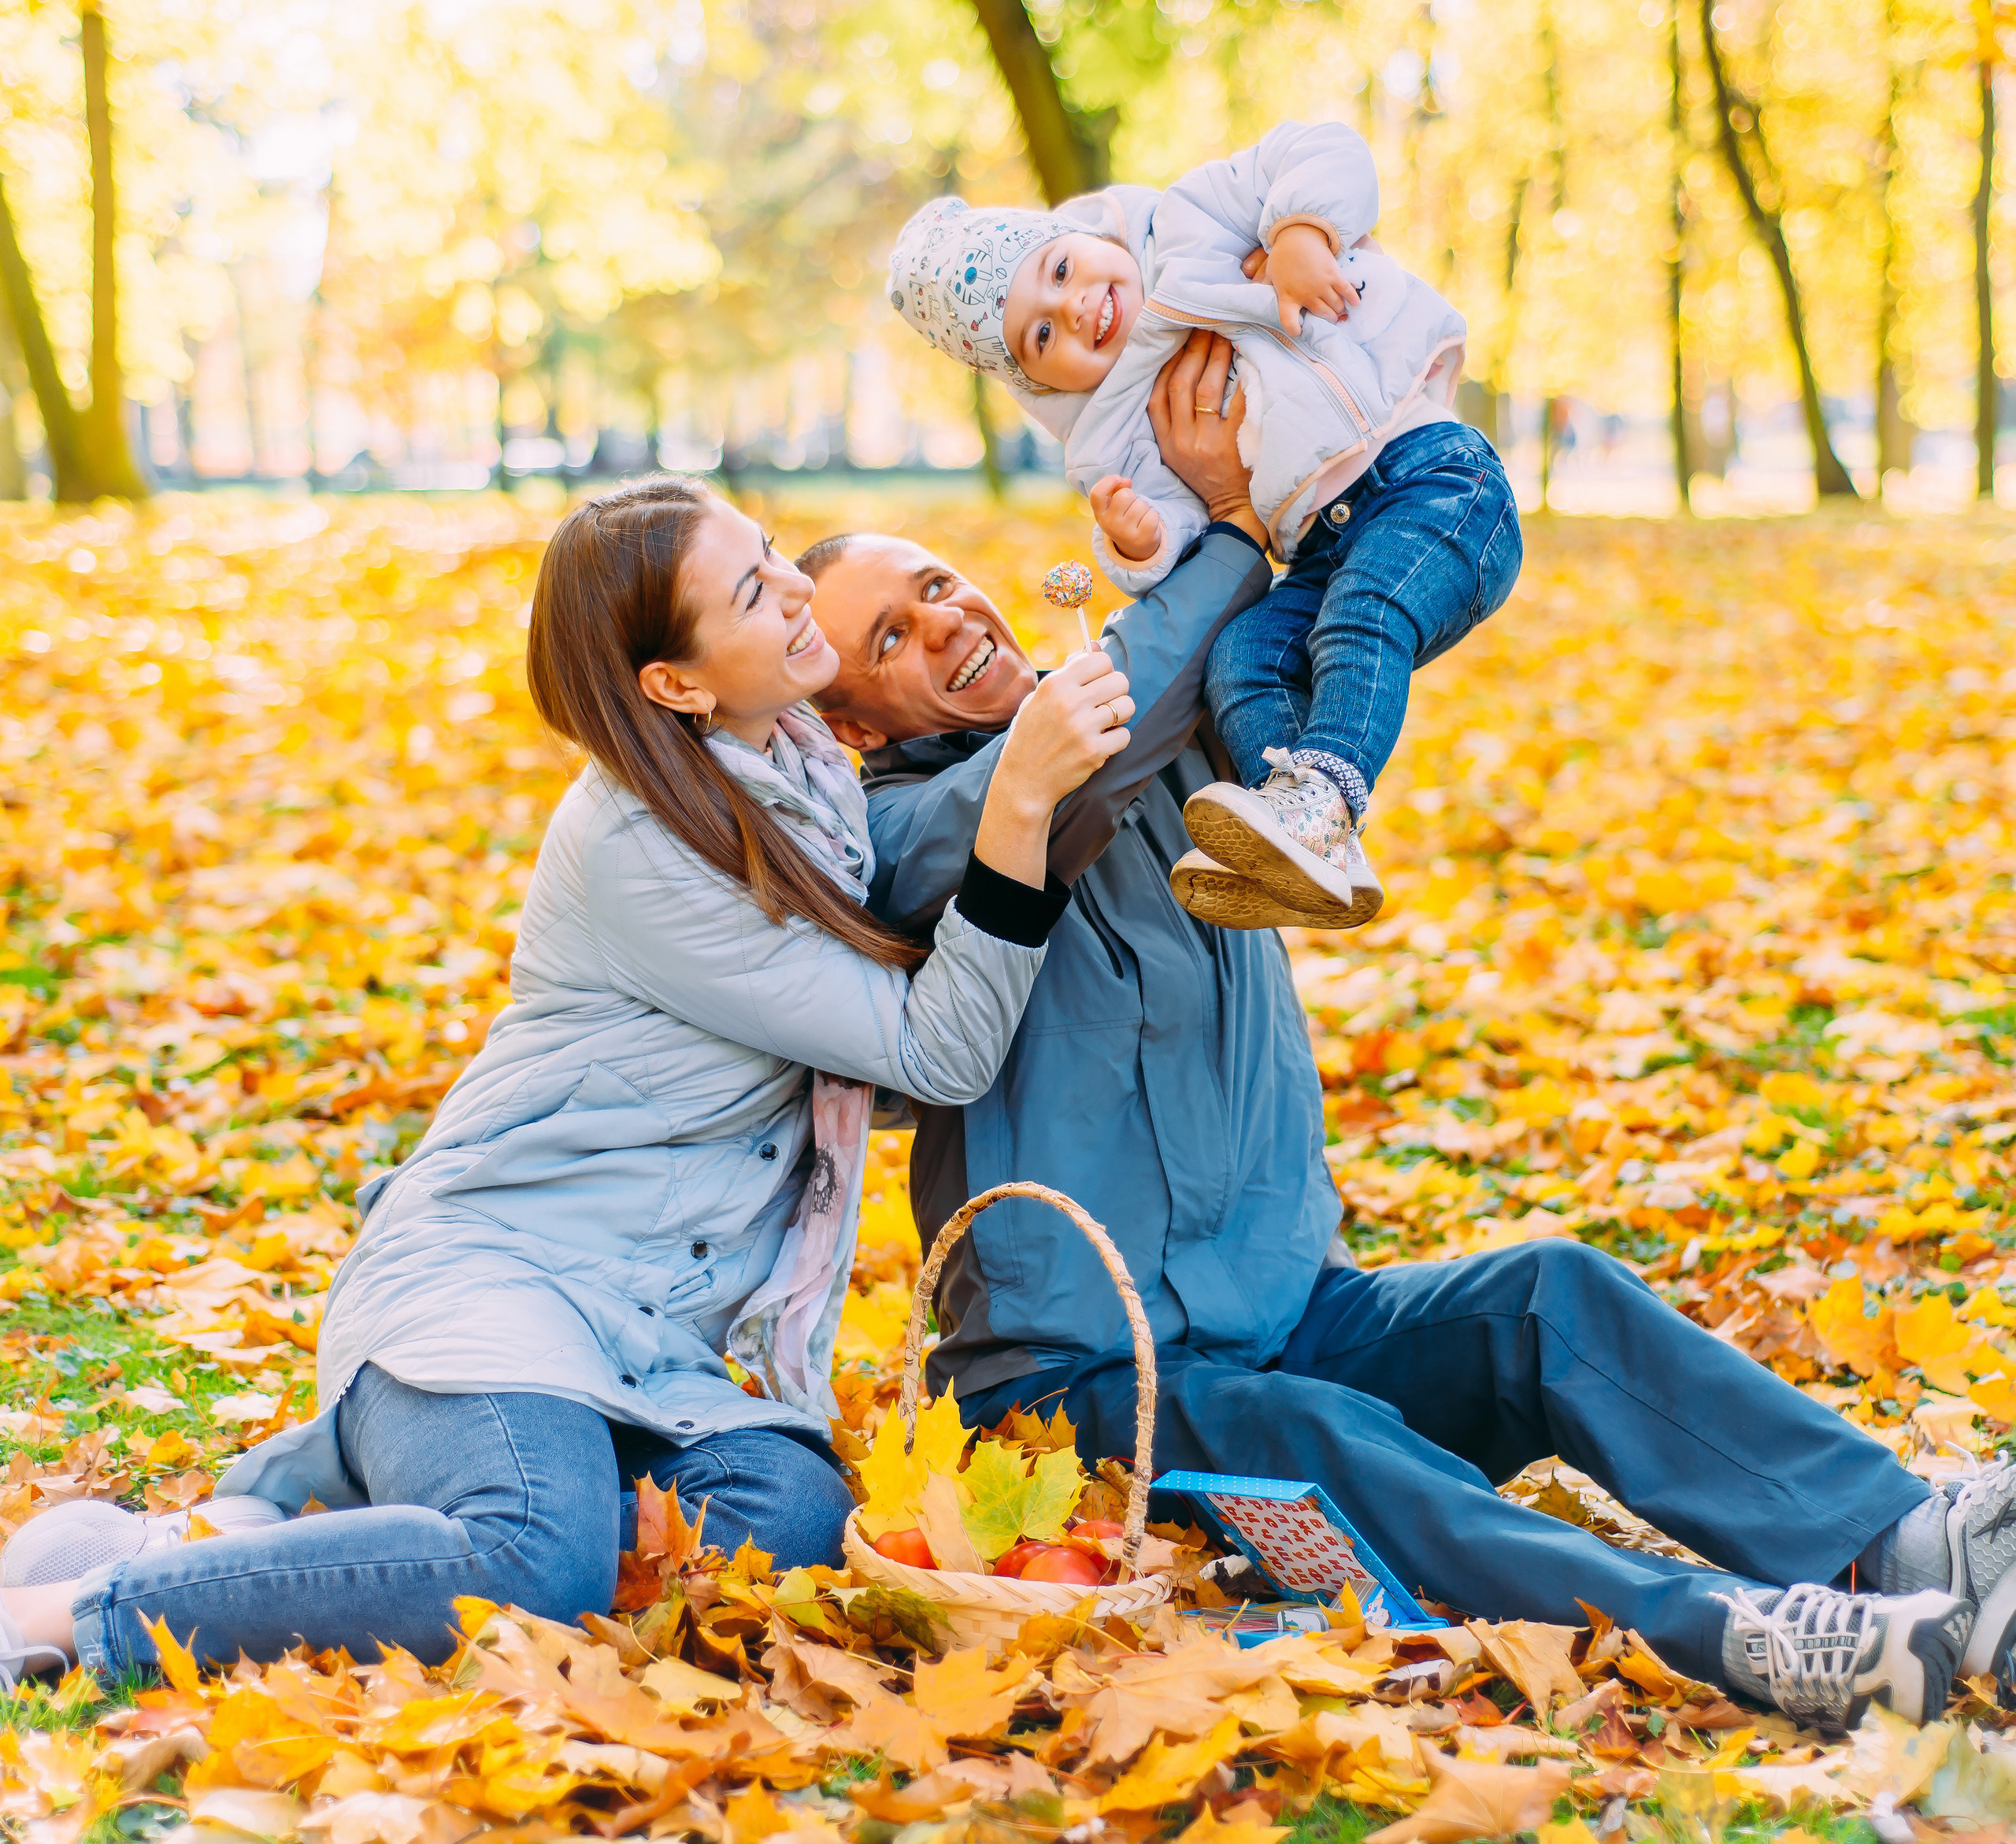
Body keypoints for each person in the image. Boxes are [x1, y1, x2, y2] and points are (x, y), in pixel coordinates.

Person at [805, 332, 2016, 1736]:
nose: (945, 622)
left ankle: (1909, 1543)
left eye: (938, 585)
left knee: (1546, 1297)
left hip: (1298, 1315)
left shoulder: (1176, 756)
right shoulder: (904, 839)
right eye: (890, 637)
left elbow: (1259, 646)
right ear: (846, 722)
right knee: (1314, 1442)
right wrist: (1227, 536)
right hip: (1084, 1399)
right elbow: (1104, 725)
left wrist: (1232, 495)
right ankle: (1745, 1638)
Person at [0, 476, 1131, 1687]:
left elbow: (861, 1061)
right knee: (536, 1563)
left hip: (647, 1338)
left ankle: (268, 1542)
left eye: (768, 554)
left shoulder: (800, 776)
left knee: (790, 1519)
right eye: (755, 589)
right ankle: (82, 1605)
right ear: (677, 685)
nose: (801, 588)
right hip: (499, 1291)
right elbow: (928, 1052)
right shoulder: (642, 843)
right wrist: (1019, 803)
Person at [885, 121, 1521, 933]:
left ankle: (1320, 803)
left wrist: (1299, 231)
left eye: (1060, 268)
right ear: (1032, 382)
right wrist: (1139, 540)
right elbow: (1186, 530)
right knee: (1242, 659)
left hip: (1424, 473)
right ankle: (1296, 839)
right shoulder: (1110, 433)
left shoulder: (1191, 221)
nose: (1075, 306)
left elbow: (1323, 146)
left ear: (1083, 231)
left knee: (1362, 618)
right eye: (1040, 334)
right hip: (1321, 544)